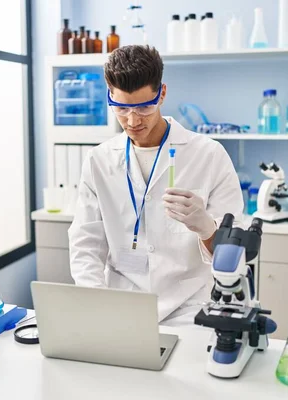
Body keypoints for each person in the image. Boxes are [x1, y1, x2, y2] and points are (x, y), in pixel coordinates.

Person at [68, 45, 243, 326]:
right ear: (109, 96)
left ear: (161, 94)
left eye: (144, 107)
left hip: (189, 311)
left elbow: (235, 254)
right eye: (121, 108)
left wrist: (208, 228)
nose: (133, 120)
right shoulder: (98, 160)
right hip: (119, 308)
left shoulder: (209, 155)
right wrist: (95, 304)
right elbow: (86, 243)